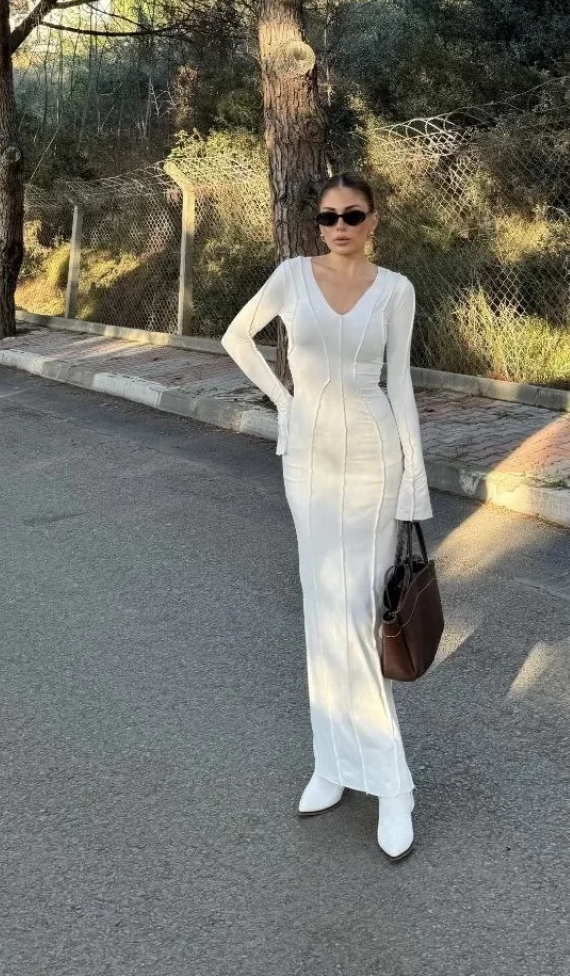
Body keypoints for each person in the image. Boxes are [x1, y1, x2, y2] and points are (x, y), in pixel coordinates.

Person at [220, 172, 433, 862]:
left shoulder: (396, 290)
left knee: (360, 615)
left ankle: (393, 785)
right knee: (321, 608)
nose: (339, 226)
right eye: (327, 217)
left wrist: (415, 483)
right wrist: (285, 403)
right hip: (308, 459)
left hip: (374, 459)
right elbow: (236, 337)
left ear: (373, 220)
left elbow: (400, 382)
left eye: (352, 215)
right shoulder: (291, 276)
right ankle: (333, 762)